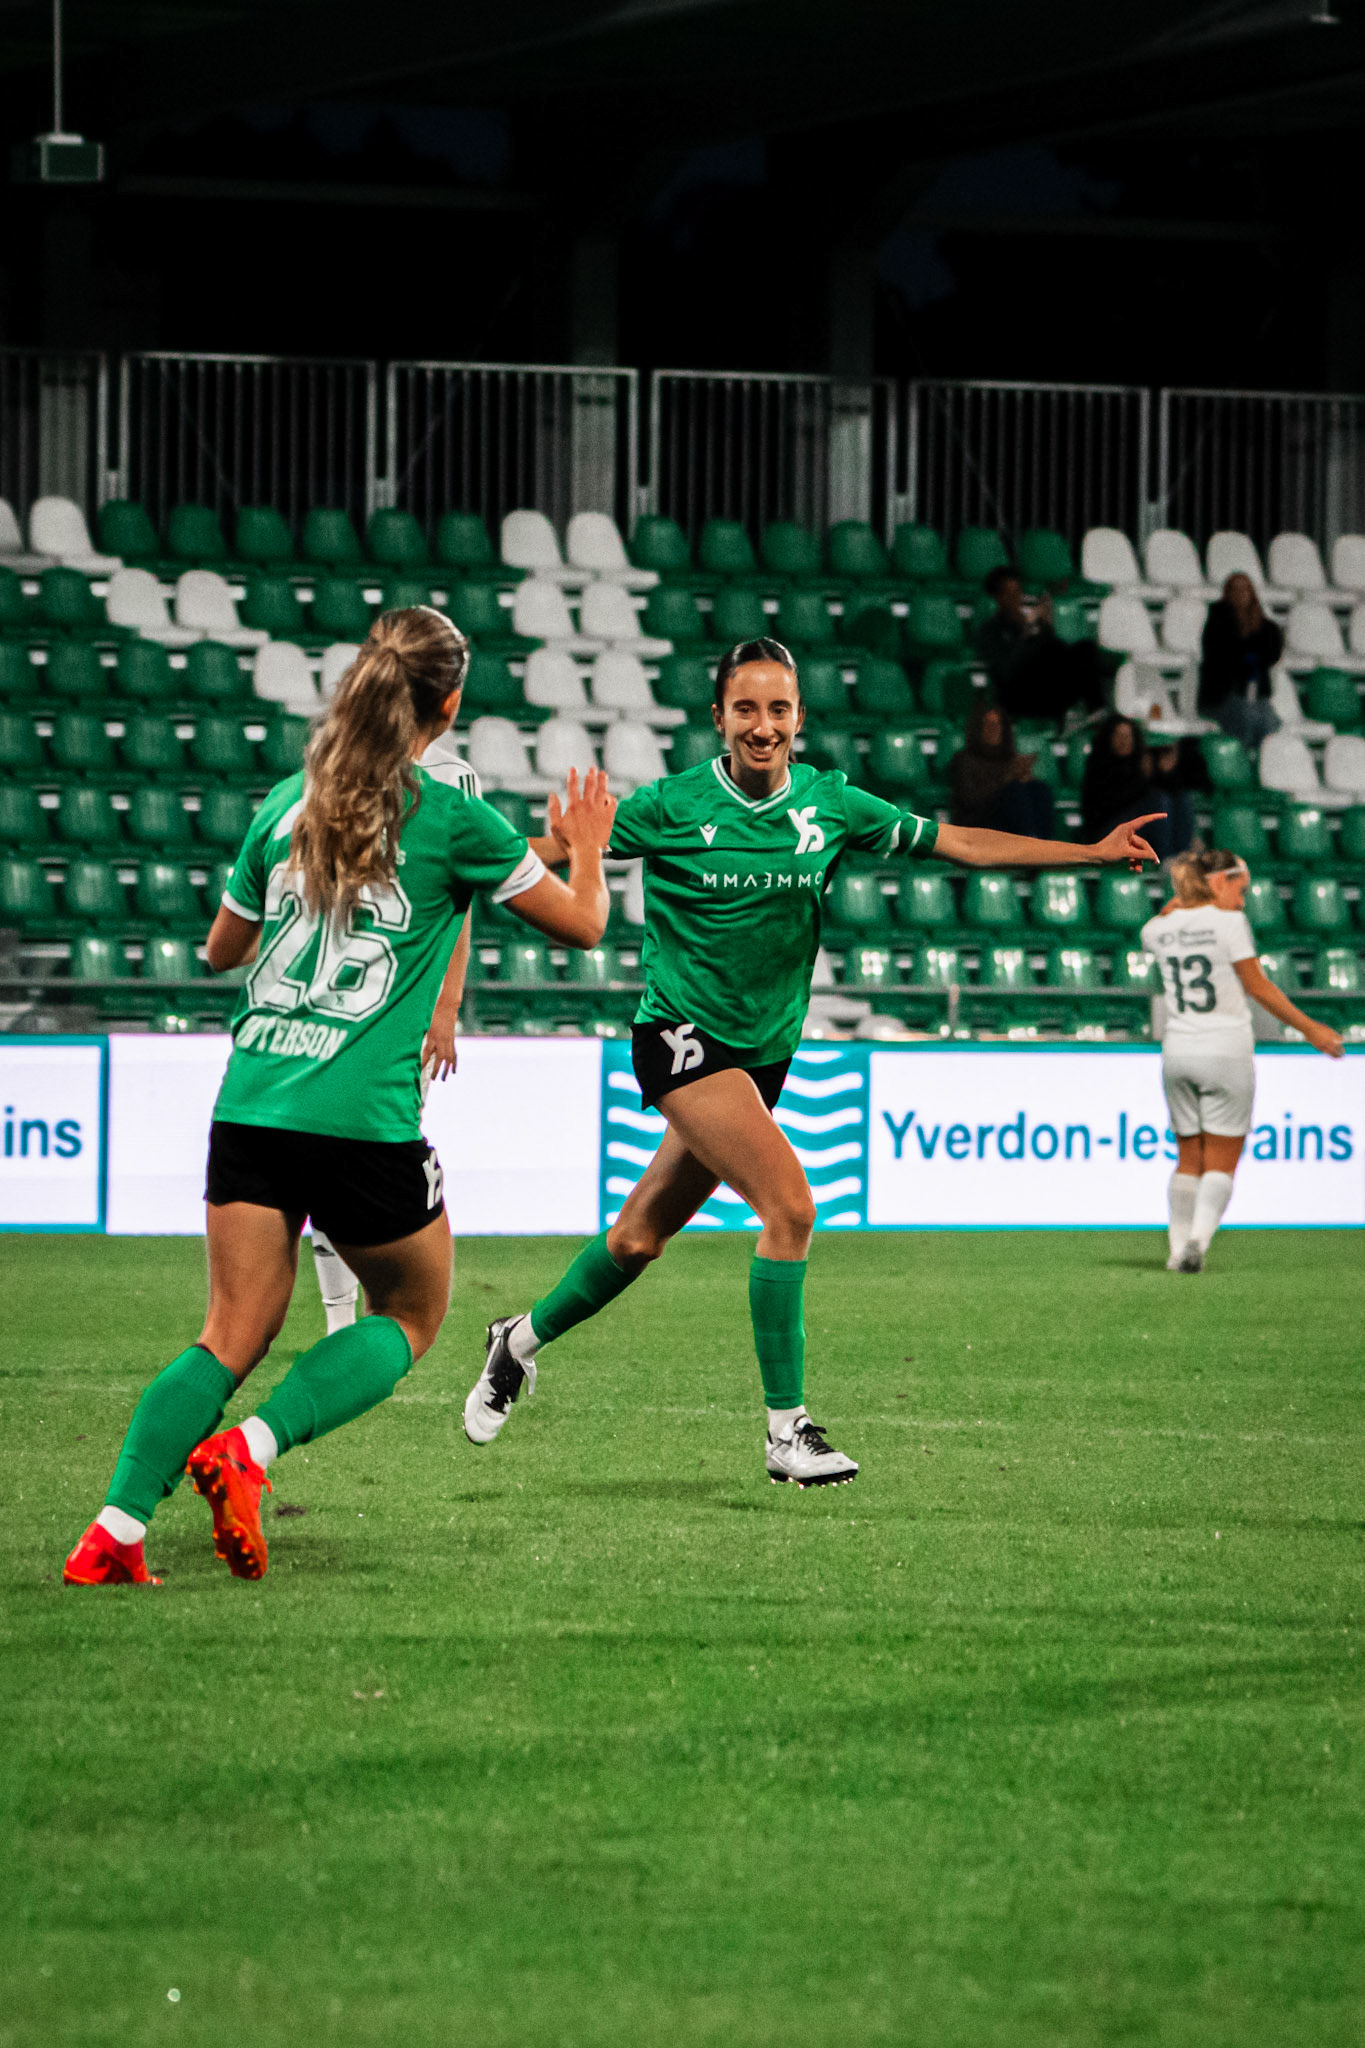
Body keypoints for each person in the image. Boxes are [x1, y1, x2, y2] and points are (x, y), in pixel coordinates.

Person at [461, 636, 1165, 1489]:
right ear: (717, 717)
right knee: (790, 1208)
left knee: (639, 1238)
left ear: (799, 719)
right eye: (746, 709)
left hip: (761, 1056)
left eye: (779, 709)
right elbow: (539, 855)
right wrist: (478, 852)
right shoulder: (671, 806)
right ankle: (785, 1431)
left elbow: (963, 846)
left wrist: (1089, 853)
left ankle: (517, 1341)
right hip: (682, 1038)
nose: (763, 726)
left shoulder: (831, 803)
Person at [63, 606, 616, 1587]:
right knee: (410, 1310)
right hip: (360, 1118)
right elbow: (579, 926)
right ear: (447, 705)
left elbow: (220, 950)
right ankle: (253, 1450)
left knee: (227, 1333)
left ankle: (112, 1528)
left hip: (252, 1101)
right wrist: (586, 845)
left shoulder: (287, 802)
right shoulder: (452, 815)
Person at [309, 726, 482, 1334]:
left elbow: (461, 901)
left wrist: (446, 1007)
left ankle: (378, 1304)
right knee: (325, 1155)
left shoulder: (454, 777)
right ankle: (339, 1317)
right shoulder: (339, 769)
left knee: (363, 1155)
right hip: (336, 1000)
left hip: (407, 1005)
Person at [1141, 847, 1342, 1274]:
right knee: (1221, 1160)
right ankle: (1197, 1240)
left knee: (1187, 1158)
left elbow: (1163, 914)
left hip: (1177, 1051)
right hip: (1226, 1050)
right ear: (1219, 881)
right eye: (1241, 887)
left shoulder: (1157, 930)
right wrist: (1312, 1029)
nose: (1244, 899)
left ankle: (1176, 1251)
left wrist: (1181, 903)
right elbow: (1258, 986)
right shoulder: (1229, 923)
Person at [974, 567, 1105, 728]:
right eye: (1009, 593)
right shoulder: (990, 630)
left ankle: (1093, 711)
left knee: (1085, 648)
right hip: (1016, 697)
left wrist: (1044, 625)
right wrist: (1025, 633)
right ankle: (1072, 712)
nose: (1016, 598)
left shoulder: (1025, 622)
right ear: (997, 597)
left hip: (1045, 689)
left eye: (1018, 591)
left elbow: (1055, 651)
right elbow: (1006, 671)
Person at [1080, 714, 1191, 864]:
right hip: (1108, 831)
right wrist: (1143, 779)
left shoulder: (1138, 761)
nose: (1124, 741)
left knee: (1182, 799)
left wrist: (1166, 773)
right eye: (1119, 735)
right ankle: (1165, 862)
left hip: (1138, 825)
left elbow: (1167, 791)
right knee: (1159, 802)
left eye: (1128, 736)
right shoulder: (1099, 764)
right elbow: (1109, 805)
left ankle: (1183, 861)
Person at [1199, 572, 1284, 749]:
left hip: (1256, 694)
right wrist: (1248, 654)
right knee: (1246, 716)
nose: (1241, 594)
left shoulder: (1265, 626)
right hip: (1222, 696)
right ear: (1227, 593)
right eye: (1235, 589)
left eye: (1245, 589)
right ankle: (1242, 759)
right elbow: (1223, 658)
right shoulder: (1217, 623)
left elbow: (1271, 654)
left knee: (1269, 721)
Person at [947, 701, 1055, 838]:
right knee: (1015, 790)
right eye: (988, 725)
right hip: (980, 820)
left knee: (1039, 788)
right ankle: (1028, 840)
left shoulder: (1009, 758)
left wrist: (1025, 776)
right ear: (978, 729)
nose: (994, 729)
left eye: (998, 724)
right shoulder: (964, 759)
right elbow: (970, 800)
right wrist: (1006, 780)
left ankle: (1043, 843)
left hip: (1008, 819)